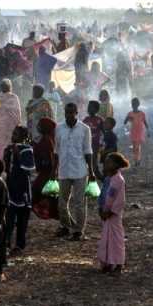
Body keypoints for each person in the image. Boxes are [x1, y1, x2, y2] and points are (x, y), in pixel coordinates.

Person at [55, 103, 95, 241]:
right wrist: (54, 169)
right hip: (64, 170)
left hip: (80, 170)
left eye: (72, 112)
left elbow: (88, 151)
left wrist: (92, 171)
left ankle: (78, 230)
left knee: (79, 203)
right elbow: (56, 150)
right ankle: (66, 226)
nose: (69, 115)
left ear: (77, 113)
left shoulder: (85, 129)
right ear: (64, 112)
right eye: (67, 112)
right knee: (61, 202)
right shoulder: (59, 128)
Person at [3, 126, 36, 255]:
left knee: (22, 219)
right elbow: (7, 169)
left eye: (16, 134)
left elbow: (29, 168)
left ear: (23, 137)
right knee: (9, 217)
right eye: (13, 133)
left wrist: (17, 155)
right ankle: (6, 243)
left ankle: (19, 245)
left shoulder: (27, 150)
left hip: (23, 189)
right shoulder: (9, 149)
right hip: (11, 187)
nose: (13, 136)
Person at [97, 152, 129, 275]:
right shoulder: (108, 179)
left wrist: (110, 212)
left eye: (109, 162)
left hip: (113, 216)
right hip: (105, 214)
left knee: (116, 240)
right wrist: (101, 209)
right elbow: (102, 195)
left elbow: (120, 200)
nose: (106, 164)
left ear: (116, 165)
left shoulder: (119, 180)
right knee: (106, 239)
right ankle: (107, 263)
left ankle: (119, 265)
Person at [32, 118, 58, 219]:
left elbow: (49, 157)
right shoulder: (48, 139)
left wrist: (52, 171)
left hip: (47, 171)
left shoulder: (47, 140)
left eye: (40, 126)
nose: (38, 127)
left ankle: (48, 212)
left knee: (40, 191)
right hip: (47, 170)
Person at [0, 79, 21, 159]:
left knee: (2, 144)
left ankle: (2, 160)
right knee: (9, 143)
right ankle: (8, 160)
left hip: (3, 125)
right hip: (11, 125)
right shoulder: (14, 97)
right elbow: (18, 111)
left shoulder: (0, 97)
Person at [124, 98, 149, 167]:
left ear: (138, 104)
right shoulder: (130, 113)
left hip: (140, 131)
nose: (134, 105)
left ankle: (137, 160)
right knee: (135, 147)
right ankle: (137, 159)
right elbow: (125, 122)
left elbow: (145, 122)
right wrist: (129, 118)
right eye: (133, 104)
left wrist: (148, 131)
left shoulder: (142, 113)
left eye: (135, 104)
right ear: (131, 105)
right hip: (133, 131)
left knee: (137, 147)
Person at [84, 101, 104, 178]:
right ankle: (93, 172)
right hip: (87, 143)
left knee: (94, 158)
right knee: (88, 158)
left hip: (95, 143)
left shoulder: (99, 120)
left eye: (91, 107)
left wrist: (103, 142)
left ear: (96, 109)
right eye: (88, 107)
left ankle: (95, 173)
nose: (89, 109)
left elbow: (104, 131)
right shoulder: (86, 119)